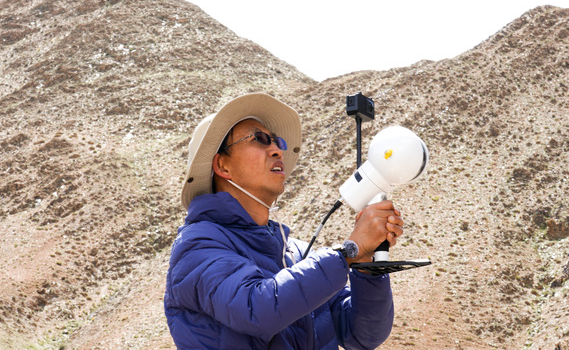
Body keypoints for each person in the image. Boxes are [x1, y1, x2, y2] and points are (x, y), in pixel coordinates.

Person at [164, 93, 405, 349]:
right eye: (259, 139)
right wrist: (348, 251)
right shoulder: (196, 247)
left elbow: (363, 336)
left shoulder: (296, 252)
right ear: (222, 166)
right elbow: (257, 308)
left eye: (277, 141)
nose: (278, 150)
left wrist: (366, 263)